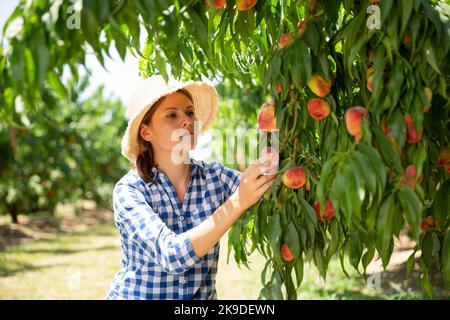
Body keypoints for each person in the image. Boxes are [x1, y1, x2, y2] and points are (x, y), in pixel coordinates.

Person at [106, 75, 277, 300]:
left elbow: (272, 192)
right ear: (146, 133)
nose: (186, 120)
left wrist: (270, 133)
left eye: (189, 112)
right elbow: (171, 255)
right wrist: (238, 202)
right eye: (171, 115)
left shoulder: (215, 177)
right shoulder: (130, 190)